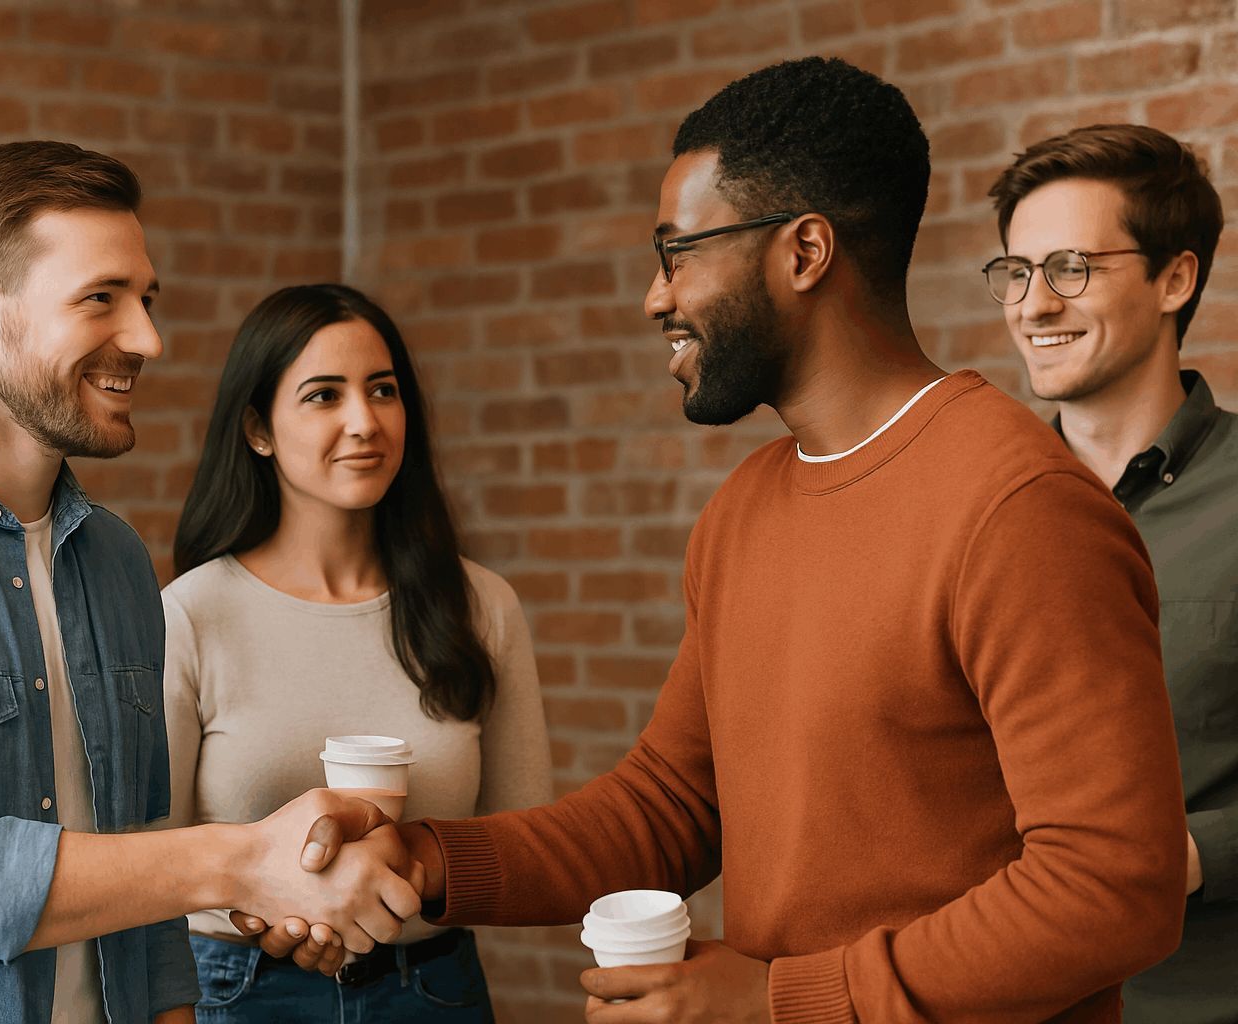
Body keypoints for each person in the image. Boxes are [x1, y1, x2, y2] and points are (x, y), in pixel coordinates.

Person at [246, 56, 1189, 1023]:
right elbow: (668, 806)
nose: (657, 297)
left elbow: (1113, 889)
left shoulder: (1020, 509)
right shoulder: (745, 509)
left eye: (679, 251)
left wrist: (783, 1001)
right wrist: (424, 858)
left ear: (804, 252)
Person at [0, 142, 420, 1024]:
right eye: (102, 299)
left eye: (147, 300)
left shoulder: (117, 563)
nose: (148, 340)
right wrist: (243, 860)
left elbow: (141, 880)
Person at [160, 283, 553, 1022]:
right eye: (323, 395)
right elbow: (153, 856)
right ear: (258, 430)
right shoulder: (192, 614)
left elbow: (523, 844)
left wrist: (406, 873)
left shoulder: (482, 606)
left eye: (382, 390)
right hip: (238, 994)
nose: (364, 422)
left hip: (431, 992)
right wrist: (267, 913)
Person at [985, 123, 1236, 1024]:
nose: (1033, 305)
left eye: (1071, 267)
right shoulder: (981, 508)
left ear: (1176, 278)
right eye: (1016, 273)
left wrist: (1185, 856)